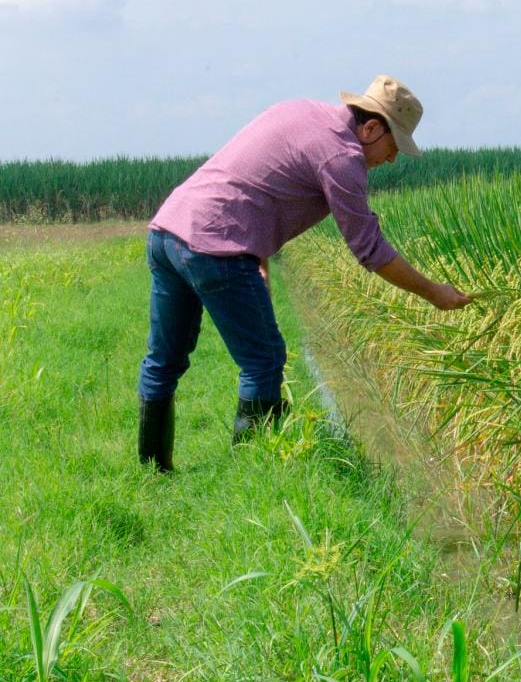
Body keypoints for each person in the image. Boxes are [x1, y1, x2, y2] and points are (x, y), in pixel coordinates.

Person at [136, 75, 472, 471]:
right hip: (216, 246)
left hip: (167, 231)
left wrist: (259, 262)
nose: (392, 158)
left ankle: (152, 473)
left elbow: (252, 185)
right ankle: (256, 477)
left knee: (164, 358)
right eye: (394, 145)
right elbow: (369, 249)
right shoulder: (341, 157)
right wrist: (434, 292)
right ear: (370, 128)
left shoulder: (297, 110)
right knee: (264, 360)